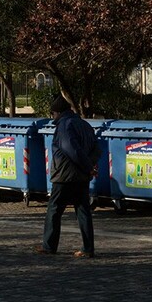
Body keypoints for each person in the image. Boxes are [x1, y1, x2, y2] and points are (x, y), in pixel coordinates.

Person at [35, 94, 100, 258]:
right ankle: (88, 248)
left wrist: (86, 166)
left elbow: (71, 149)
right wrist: (89, 167)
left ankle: (49, 245)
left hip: (64, 175)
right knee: (83, 211)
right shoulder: (85, 125)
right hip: (82, 176)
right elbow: (97, 149)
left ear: (56, 113)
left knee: (54, 210)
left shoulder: (64, 126)